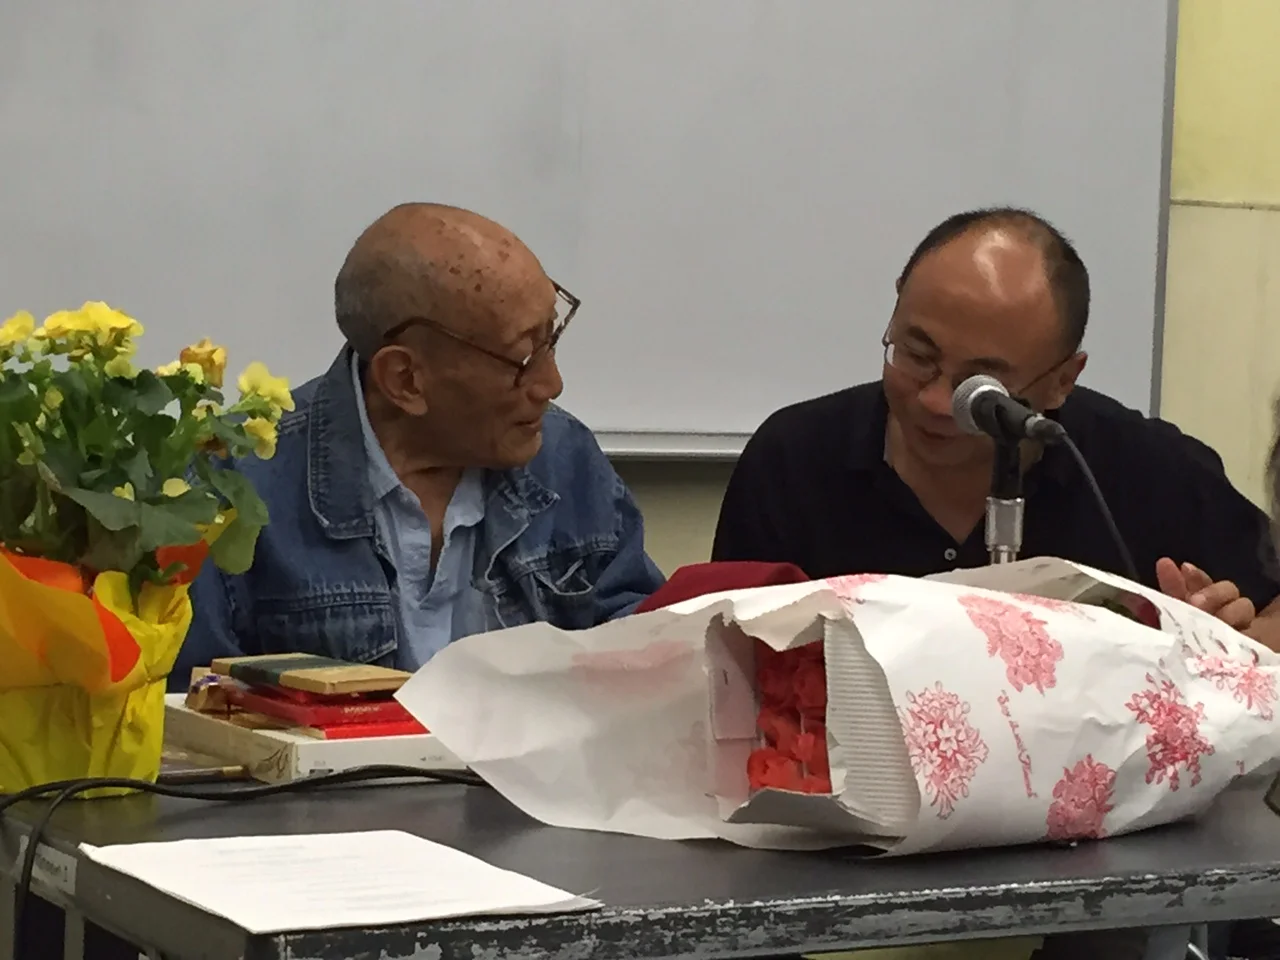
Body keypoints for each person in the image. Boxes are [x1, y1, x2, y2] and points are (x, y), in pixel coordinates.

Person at [712, 207, 1280, 649]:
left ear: (1061, 381)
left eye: (981, 387)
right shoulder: (793, 460)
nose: (936, 400)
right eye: (916, 355)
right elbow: (720, 666)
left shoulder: (1150, 470)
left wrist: (1233, 637)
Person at [172, 203, 664, 687]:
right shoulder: (232, 486)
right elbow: (190, 711)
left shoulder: (564, 457)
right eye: (522, 359)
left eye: (550, 340)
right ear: (405, 380)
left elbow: (646, 644)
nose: (551, 384)